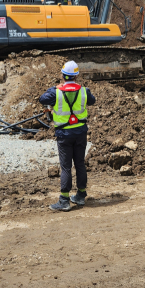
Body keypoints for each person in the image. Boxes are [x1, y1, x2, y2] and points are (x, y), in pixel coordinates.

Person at [40, 61, 96, 211]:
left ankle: (64, 200)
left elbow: (42, 99)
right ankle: (81, 195)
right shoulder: (84, 91)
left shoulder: (56, 92)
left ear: (63, 75)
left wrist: (55, 87)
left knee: (66, 167)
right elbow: (93, 101)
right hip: (80, 132)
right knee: (79, 163)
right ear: (76, 75)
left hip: (64, 134)